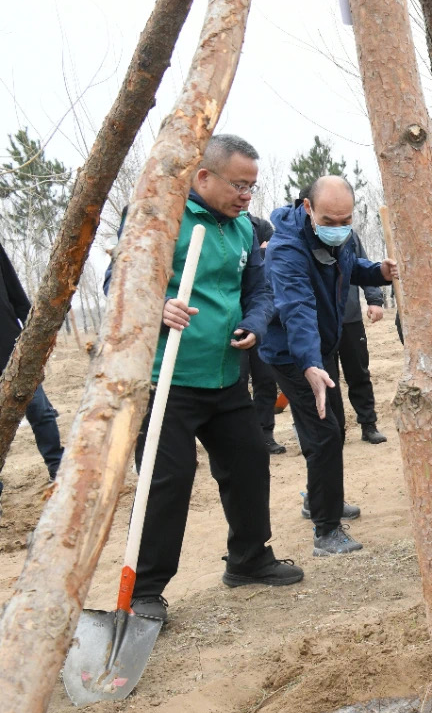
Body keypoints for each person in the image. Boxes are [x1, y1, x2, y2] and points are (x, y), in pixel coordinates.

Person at [114, 134, 303, 623]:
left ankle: (248, 558)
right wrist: (157, 306)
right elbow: (119, 283)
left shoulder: (243, 229)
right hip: (167, 379)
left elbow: (259, 291)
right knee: (167, 481)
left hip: (225, 376)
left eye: (251, 187)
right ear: (203, 177)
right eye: (238, 185)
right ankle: (145, 591)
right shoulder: (160, 218)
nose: (246, 196)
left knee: (249, 464)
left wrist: (255, 323)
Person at [261, 175, 396, 556]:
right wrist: (308, 362)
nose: (338, 228)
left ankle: (318, 498)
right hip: (293, 354)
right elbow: (297, 308)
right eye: (329, 221)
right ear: (308, 208)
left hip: (321, 348)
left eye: (345, 220)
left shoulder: (340, 235)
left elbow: (350, 267)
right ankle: (326, 529)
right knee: (323, 433)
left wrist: (379, 273)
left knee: (331, 428)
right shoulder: (286, 249)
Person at [0, 241, 63, 517]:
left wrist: (37, 337)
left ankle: (58, 469)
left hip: (12, 350)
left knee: (40, 410)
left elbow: (15, 293)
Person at [336, 231, 388, 445]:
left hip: (350, 317)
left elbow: (364, 266)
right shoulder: (298, 236)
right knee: (325, 378)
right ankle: (335, 430)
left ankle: (368, 424)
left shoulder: (347, 235)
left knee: (358, 372)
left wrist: (374, 300)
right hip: (317, 321)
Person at [242, 215, 285, 454]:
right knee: (237, 382)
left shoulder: (262, 226)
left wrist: (261, 253)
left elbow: (269, 260)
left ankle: (265, 434)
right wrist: (259, 252)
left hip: (261, 318)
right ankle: (242, 438)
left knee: (265, 380)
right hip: (234, 319)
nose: (245, 198)